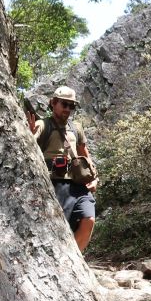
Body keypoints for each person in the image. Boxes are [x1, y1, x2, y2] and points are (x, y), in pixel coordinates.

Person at [28, 85, 98, 252]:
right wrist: (28, 134)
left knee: (89, 219)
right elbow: (27, 144)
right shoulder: (43, 125)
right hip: (55, 185)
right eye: (64, 104)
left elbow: (85, 156)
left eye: (71, 105)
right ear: (53, 103)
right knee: (59, 228)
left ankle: (75, 259)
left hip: (79, 184)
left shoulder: (77, 128)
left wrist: (94, 178)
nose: (68, 108)